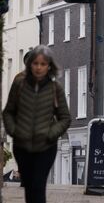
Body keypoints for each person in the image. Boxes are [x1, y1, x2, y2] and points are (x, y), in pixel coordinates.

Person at [3, 45, 71, 203]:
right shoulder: (19, 85)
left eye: (43, 64)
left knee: (38, 186)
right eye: (35, 63)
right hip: (22, 145)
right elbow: (8, 112)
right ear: (29, 65)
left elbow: (65, 118)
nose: (39, 68)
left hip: (45, 146)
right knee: (29, 187)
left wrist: (51, 134)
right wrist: (14, 131)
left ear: (49, 66)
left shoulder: (55, 88)